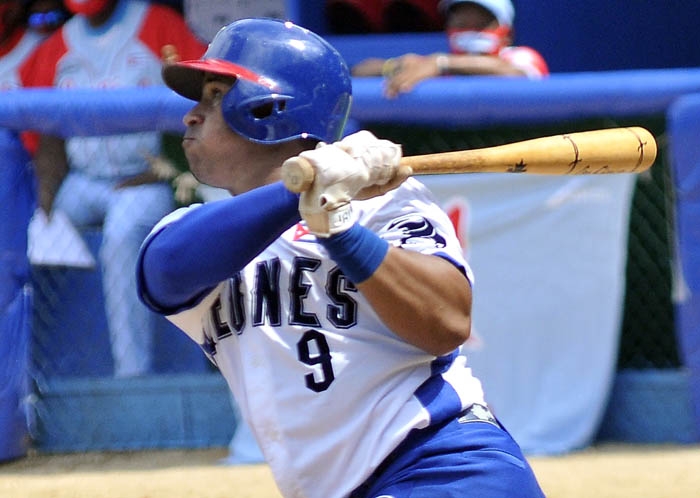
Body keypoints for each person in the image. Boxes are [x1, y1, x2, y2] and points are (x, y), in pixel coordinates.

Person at [136, 18, 546, 498]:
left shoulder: (384, 204)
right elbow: (164, 270)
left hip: (446, 466)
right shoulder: (196, 233)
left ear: (268, 109)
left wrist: (341, 229)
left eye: (214, 96)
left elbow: (448, 320)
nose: (191, 115)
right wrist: (307, 188)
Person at [19, 0, 206, 377]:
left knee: (122, 234)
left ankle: (131, 375)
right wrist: (43, 209)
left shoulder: (158, 25)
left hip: (144, 179)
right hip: (84, 181)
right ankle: (28, 376)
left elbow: (204, 100)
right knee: (21, 234)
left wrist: (172, 171)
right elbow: (46, 137)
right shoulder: (55, 47)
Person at [351, 0, 549, 98]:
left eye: (480, 25)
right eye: (462, 24)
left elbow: (519, 74)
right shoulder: (429, 66)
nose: (470, 32)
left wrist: (442, 64)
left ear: (507, 33)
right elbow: (359, 71)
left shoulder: (521, 56)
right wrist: (395, 66)